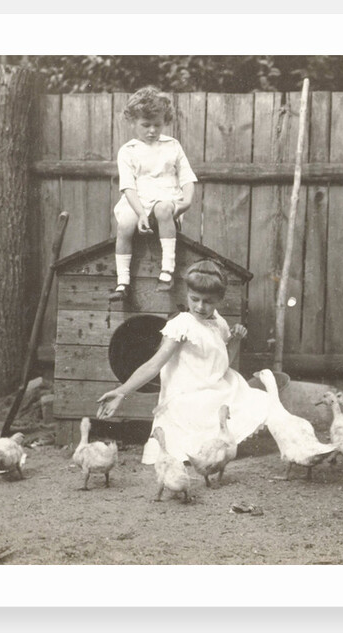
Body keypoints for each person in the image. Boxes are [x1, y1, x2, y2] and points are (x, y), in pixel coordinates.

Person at [96, 259, 271, 464]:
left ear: (219, 300)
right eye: (194, 299)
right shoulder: (182, 324)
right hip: (186, 397)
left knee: (255, 401)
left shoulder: (219, 323)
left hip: (212, 389)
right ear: (187, 294)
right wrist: (121, 391)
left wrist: (235, 341)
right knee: (194, 447)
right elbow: (154, 364)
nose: (200, 306)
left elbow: (222, 364)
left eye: (208, 301)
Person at [109, 86, 198, 301]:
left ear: (164, 121)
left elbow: (187, 177)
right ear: (133, 122)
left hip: (167, 199)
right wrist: (140, 213)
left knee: (163, 207)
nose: (152, 130)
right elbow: (128, 186)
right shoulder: (128, 151)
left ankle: (167, 270)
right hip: (137, 201)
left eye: (157, 125)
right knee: (125, 224)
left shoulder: (172, 146)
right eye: (146, 125)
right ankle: (123, 282)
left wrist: (187, 201)